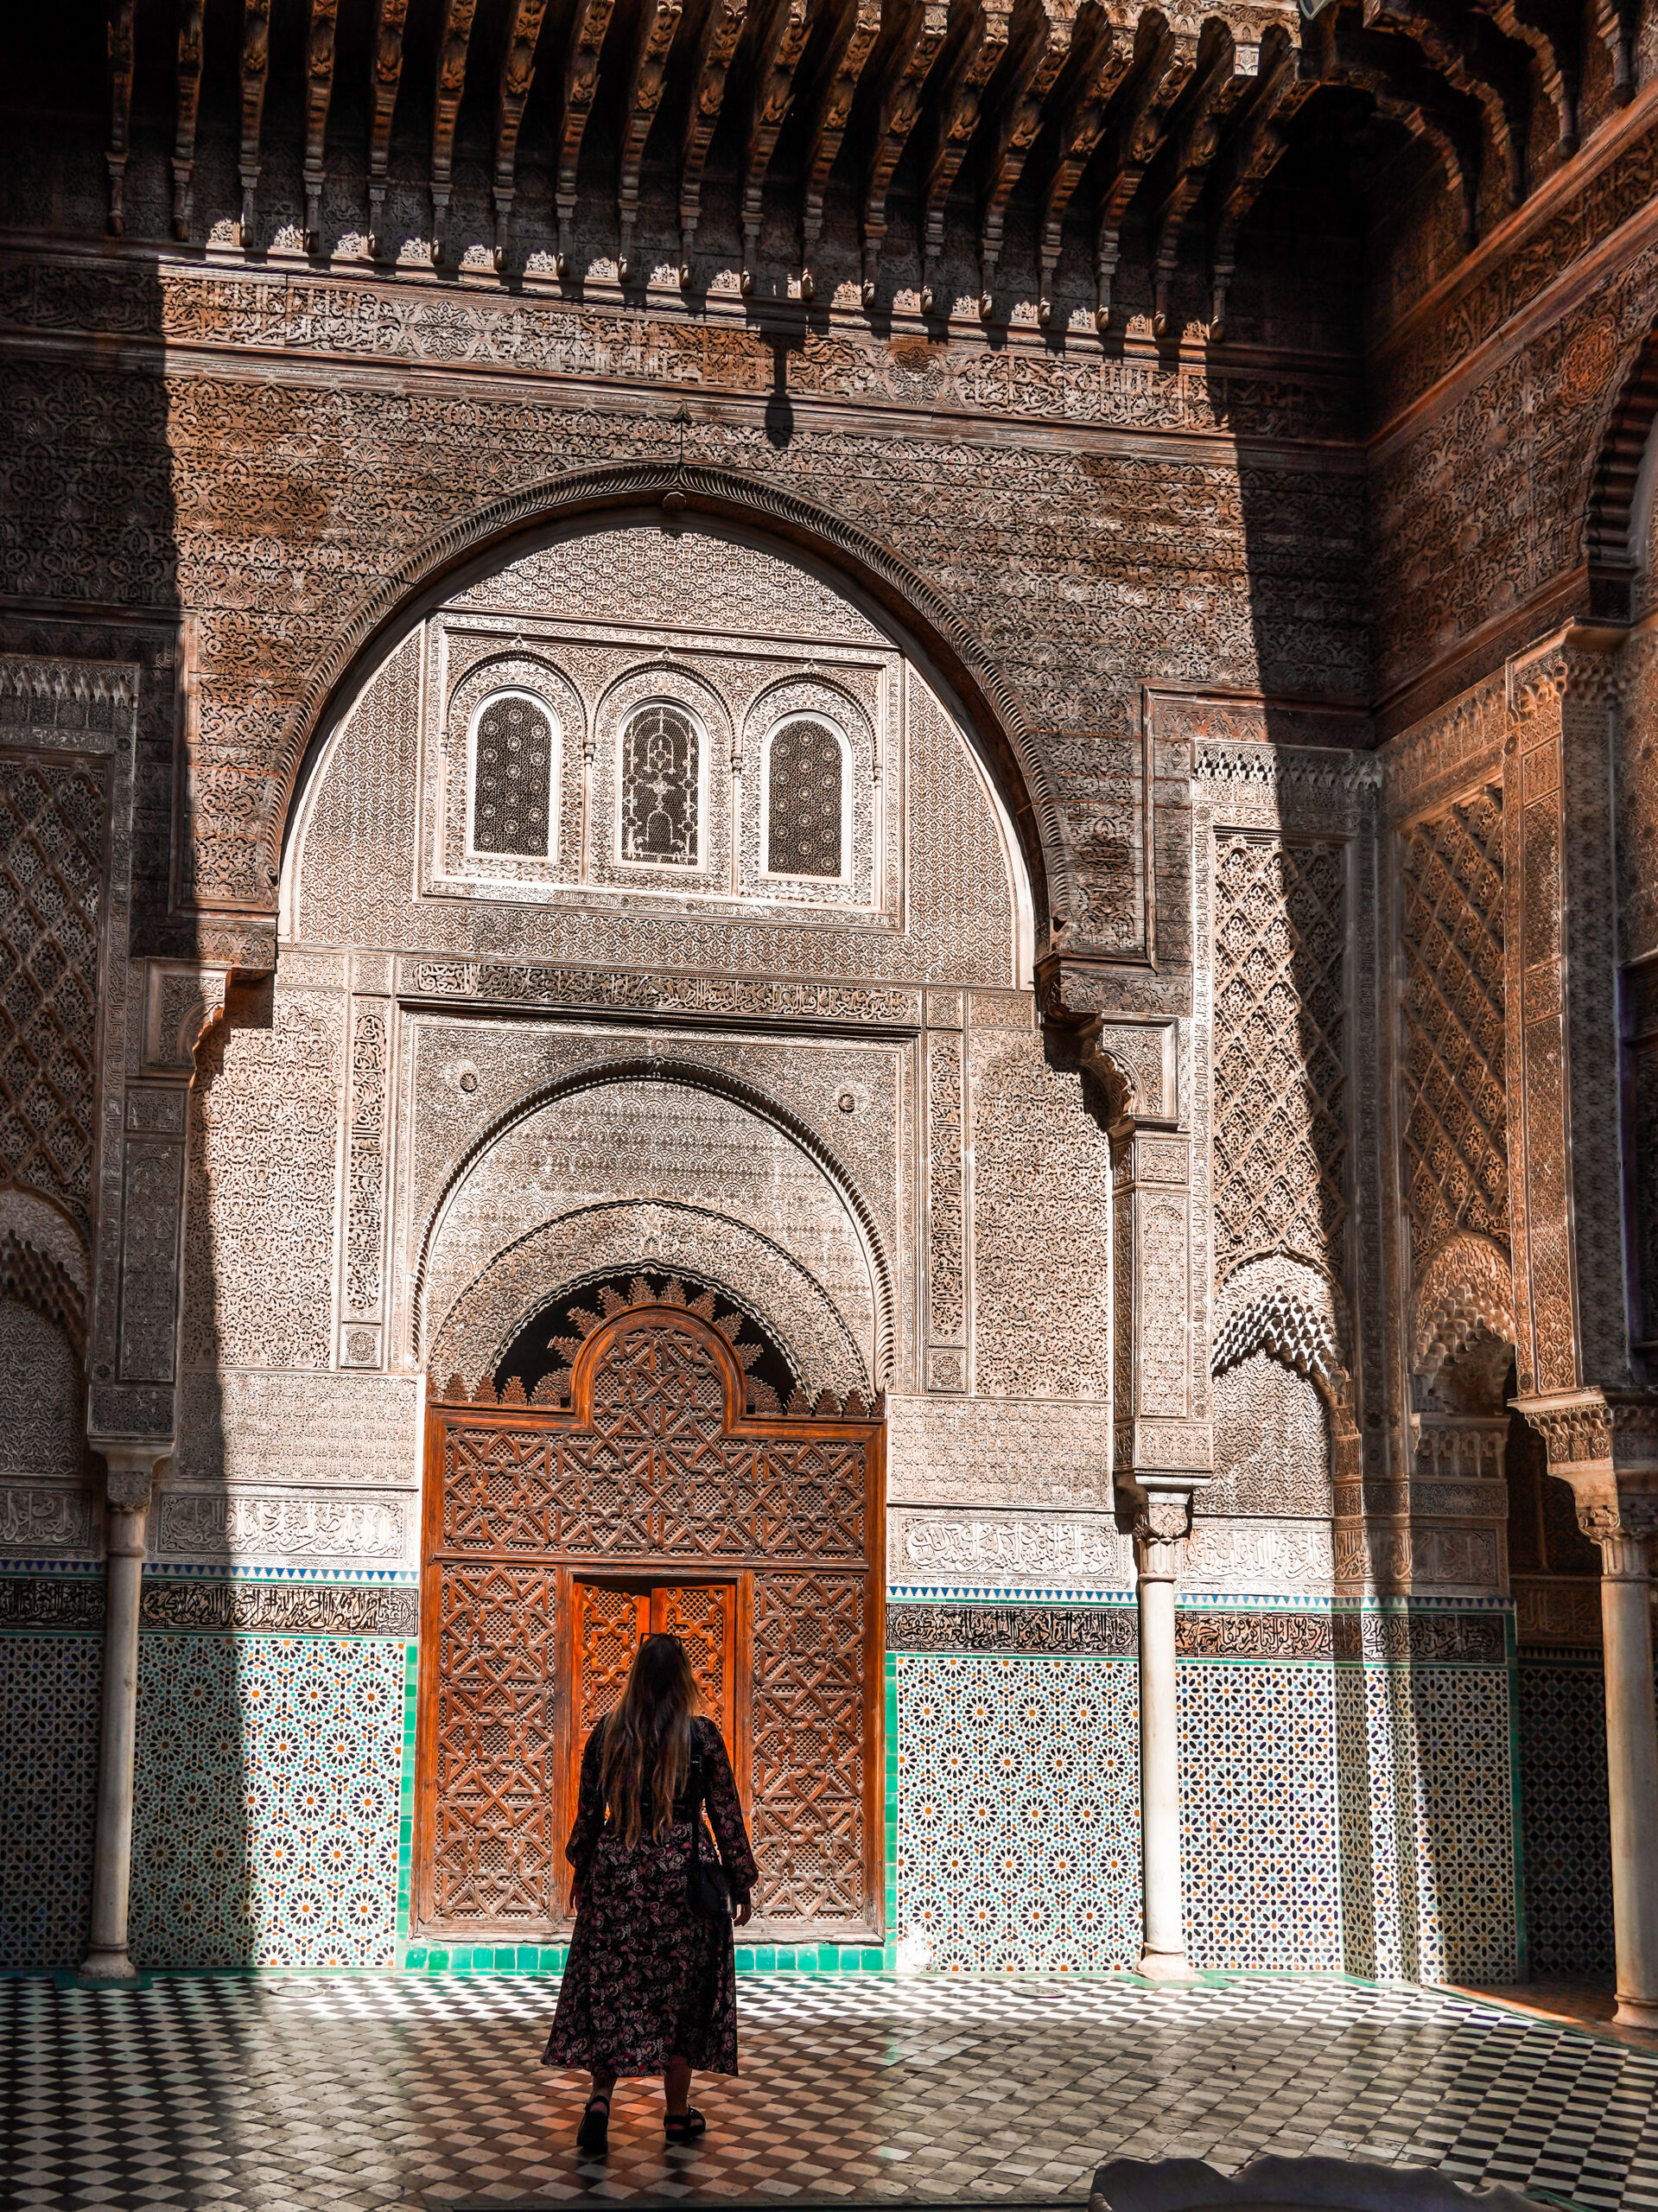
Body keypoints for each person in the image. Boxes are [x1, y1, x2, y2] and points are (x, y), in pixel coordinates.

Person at [543, 1632, 757, 2156]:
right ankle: (678, 2116)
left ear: (635, 1675)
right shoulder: (701, 1737)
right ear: (682, 1678)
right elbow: (725, 1812)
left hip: (619, 1872)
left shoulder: (608, 1734)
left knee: (614, 1990)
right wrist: (740, 1879)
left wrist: (581, 1871)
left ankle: (599, 2102)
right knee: (681, 1997)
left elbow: (589, 1813)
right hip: (682, 1879)